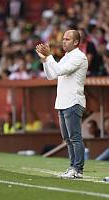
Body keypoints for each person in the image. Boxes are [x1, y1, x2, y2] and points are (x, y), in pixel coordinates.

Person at [36, 30, 88, 179]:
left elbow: (59, 70)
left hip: (73, 101)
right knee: (67, 138)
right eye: (63, 39)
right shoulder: (66, 57)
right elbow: (51, 75)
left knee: (75, 137)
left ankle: (78, 169)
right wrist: (45, 61)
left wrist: (49, 56)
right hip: (62, 102)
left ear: (76, 42)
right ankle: (72, 167)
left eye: (67, 39)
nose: (63, 41)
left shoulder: (79, 57)